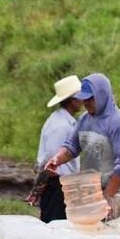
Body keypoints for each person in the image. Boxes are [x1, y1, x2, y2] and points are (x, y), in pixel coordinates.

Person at [44, 74, 120, 221]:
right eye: (84, 99)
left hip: (116, 195)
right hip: (93, 192)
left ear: (102, 95)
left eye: (90, 99)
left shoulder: (118, 123)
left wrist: (108, 196)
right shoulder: (85, 120)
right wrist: (57, 159)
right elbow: (72, 146)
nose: (86, 103)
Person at [34, 76, 83, 222]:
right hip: (57, 185)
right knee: (56, 226)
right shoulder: (62, 126)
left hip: (60, 184)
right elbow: (53, 161)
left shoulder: (63, 121)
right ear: (73, 100)